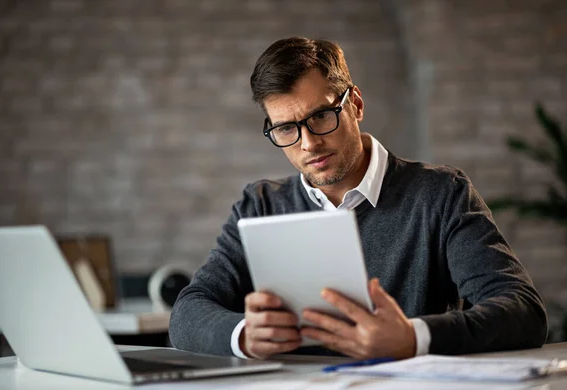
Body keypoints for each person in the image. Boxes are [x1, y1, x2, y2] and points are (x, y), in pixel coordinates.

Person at [169, 37, 548, 360]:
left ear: (356, 105)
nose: (308, 143)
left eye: (321, 116)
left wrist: (413, 338)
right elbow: (186, 314)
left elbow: (523, 311)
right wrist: (243, 335)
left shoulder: (441, 194)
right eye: (286, 128)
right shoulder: (261, 204)